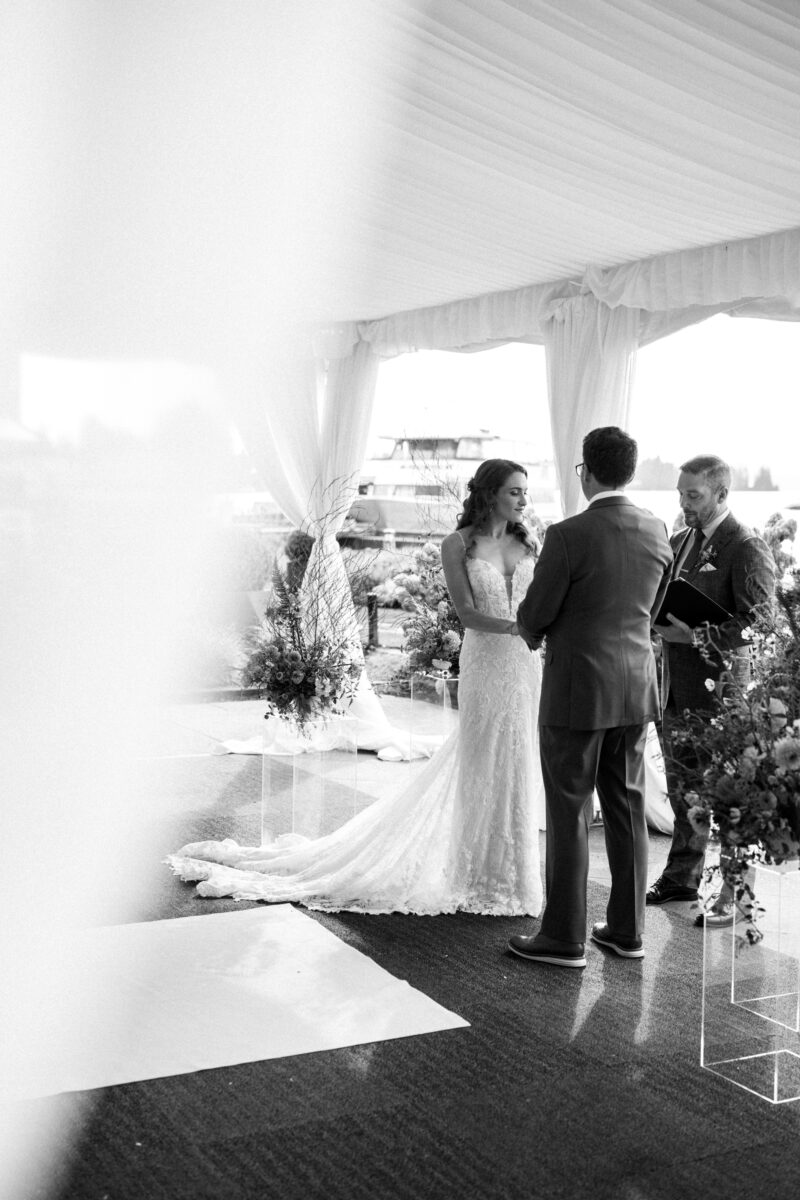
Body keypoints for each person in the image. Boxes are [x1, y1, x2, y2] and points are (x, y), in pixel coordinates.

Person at [167, 459, 544, 916]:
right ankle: (475, 871)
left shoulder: (530, 541)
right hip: (489, 662)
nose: (524, 499)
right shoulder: (458, 544)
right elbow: (466, 615)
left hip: (526, 666)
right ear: (490, 494)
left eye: (525, 491)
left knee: (519, 755)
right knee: (482, 758)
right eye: (515, 491)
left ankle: (510, 872)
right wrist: (522, 628)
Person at [508, 426, 672, 968]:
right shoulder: (657, 529)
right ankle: (626, 932)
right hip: (634, 688)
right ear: (628, 470)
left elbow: (536, 612)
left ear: (587, 471)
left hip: (578, 690)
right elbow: (652, 611)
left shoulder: (568, 533)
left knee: (569, 809)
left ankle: (563, 938)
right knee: (627, 807)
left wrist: (532, 632)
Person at [647, 455, 776, 926]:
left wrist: (697, 637)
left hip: (722, 693)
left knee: (728, 797)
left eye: (694, 495)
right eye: (681, 493)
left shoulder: (745, 546)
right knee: (684, 791)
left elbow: (763, 623)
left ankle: (736, 895)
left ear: (722, 495)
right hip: (674, 688)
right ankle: (681, 877)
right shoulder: (679, 541)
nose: (684, 503)